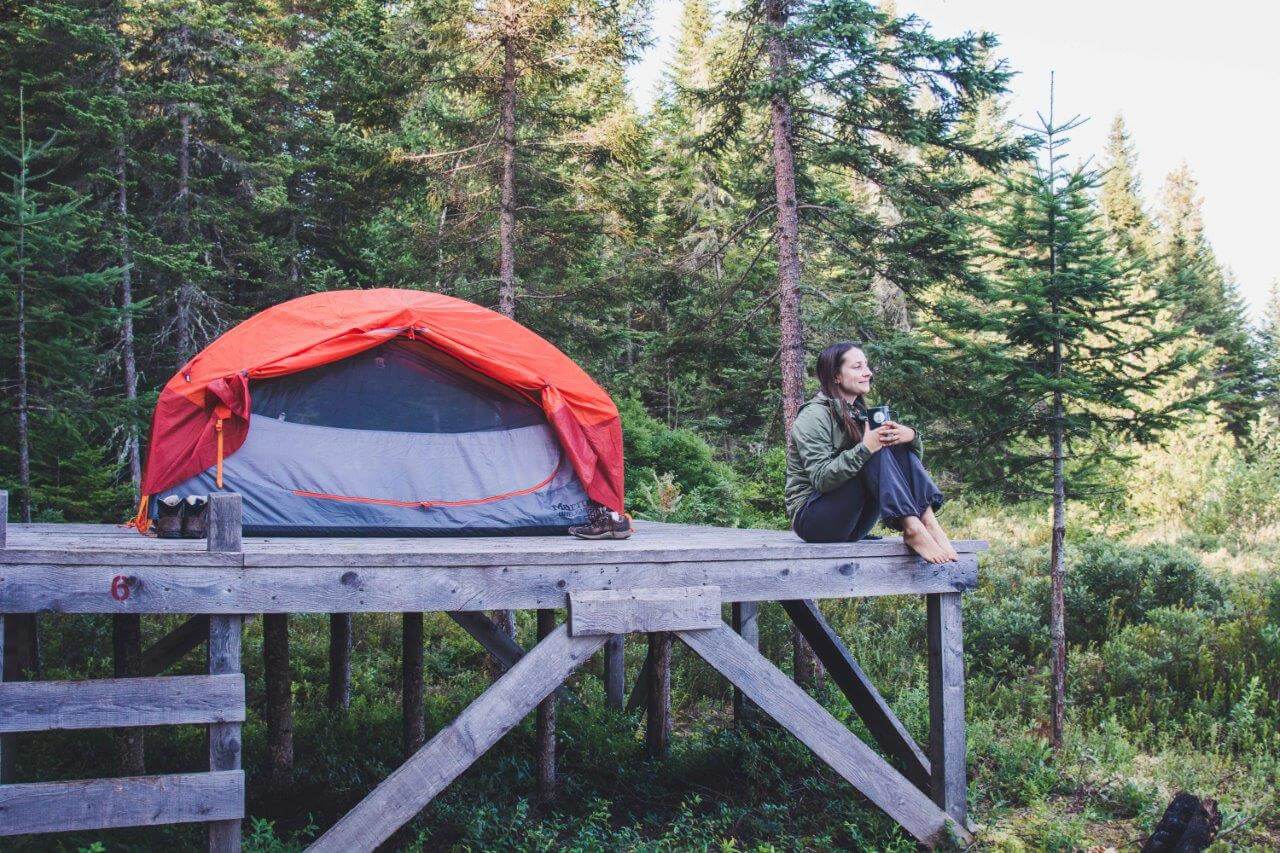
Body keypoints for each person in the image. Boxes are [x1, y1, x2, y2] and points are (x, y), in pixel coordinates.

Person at [784, 341, 958, 563]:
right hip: (814, 520)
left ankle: (929, 522)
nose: (868, 373)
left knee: (890, 442)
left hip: (856, 524)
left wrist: (910, 437)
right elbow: (821, 479)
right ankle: (912, 527)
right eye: (857, 367)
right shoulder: (813, 416)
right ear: (836, 375)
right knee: (874, 448)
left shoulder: (861, 413)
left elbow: (899, 470)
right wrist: (866, 447)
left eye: (866, 366)